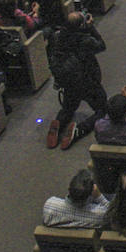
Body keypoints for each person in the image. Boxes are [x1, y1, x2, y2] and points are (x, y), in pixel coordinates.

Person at [47, 11, 108, 151]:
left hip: (69, 82)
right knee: (102, 109)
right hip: (88, 81)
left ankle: (59, 123)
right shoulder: (85, 40)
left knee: (68, 108)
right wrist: (91, 28)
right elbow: (101, 45)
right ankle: (80, 129)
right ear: (81, 25)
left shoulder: (57, 37)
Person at [42, 168, 109, 228]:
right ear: (91, 195)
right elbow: (114, 214)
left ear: (69, 188)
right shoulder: (100, 216)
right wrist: (100, 197)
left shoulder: (49, 206)